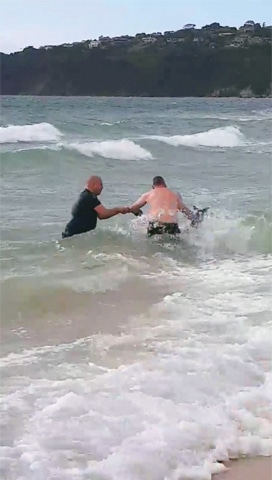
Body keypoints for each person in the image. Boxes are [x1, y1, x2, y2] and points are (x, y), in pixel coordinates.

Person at [62, 176, 130, 238]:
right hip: (74, 234)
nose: (102, 187)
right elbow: (104, 213)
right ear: (93, 185)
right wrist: (118, 209)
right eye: (100, 184)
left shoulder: (86, 195)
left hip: (74, 233)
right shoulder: (89, 197)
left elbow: (101, 216)